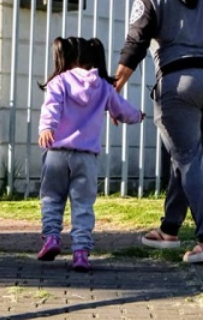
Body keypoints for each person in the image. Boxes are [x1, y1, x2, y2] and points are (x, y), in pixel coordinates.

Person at [114, 0, 203, 264]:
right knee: (188, 157)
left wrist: (115, 87)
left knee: (187, 159)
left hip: (179, 85)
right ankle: (169, 229)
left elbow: (135, 43)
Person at [37, 36, 144, 272]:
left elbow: (52, 106)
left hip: (56, 152)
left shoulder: (59, 81)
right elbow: (122, 109)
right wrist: (138, 115)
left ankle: (52, 238)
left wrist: (47, 127)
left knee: (52, 198)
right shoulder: (103, 86)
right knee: (83, 204)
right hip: (86, 157)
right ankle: (81, 252)